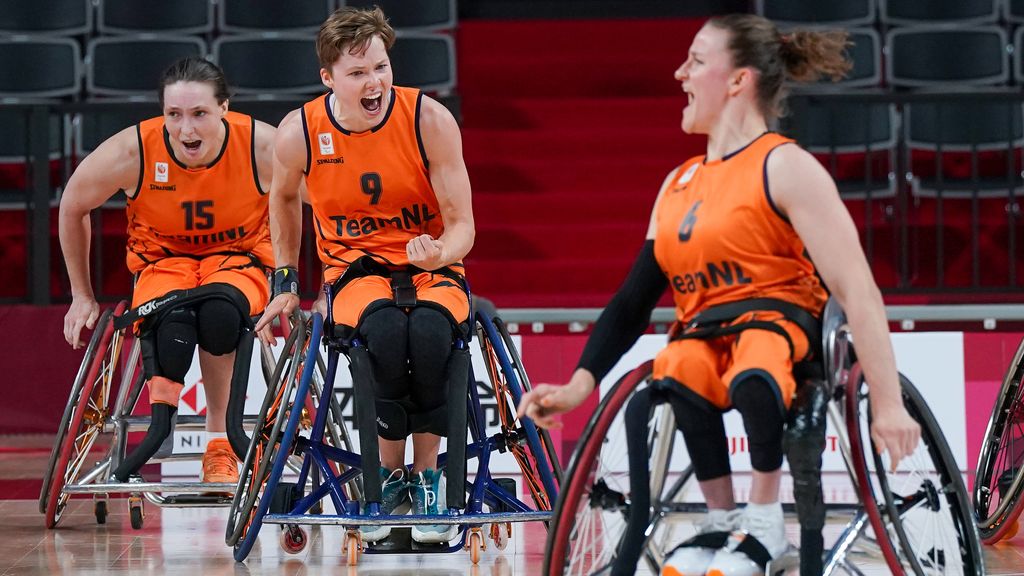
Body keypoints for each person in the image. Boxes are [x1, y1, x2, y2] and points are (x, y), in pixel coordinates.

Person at [517, 14, 922, 576]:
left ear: (738, 81)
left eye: (697, 61)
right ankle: (720, 521)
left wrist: (888, 402)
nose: (681, 73)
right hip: (705, 334)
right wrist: (579, 384)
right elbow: (633, 301)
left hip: (782, 333)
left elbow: (858, 289)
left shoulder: (785, 166)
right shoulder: (679, 183)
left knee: (756, 362)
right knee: (677, 364)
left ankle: (764, 520)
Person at [256, 6, 474, 545]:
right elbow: (282, 202)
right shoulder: (299, 133)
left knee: (428, 334)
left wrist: (439, 251)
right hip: (354, 271)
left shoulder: (429, 120)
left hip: (431, 264)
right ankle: (386, 476)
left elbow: (464, 225)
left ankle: (426, 480)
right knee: (379, 335)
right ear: (328, 78)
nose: (374, 82)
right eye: (357, 74)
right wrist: (285, 285)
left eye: (380, 67)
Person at [60, 57, 277, 487]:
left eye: (199, 114)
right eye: (174, 115)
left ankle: (219, 444)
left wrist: (289, 283)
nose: (186, 130)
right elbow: (73, 205)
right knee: (170, 319)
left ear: (224, 109)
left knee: (219, 315)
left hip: (237, 259)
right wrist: (81, 294)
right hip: (163, 264)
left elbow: (321, 204)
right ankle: (158, 431)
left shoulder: (262, 146)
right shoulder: (133, 150)